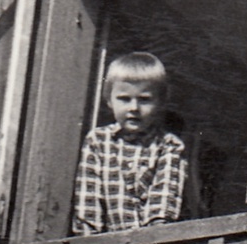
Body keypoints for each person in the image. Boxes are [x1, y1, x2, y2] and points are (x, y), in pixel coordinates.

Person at [71, 51, 189, 233]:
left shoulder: (169, 146)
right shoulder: (97, 142)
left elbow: (162, 208)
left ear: (160, 102)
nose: (134, 108)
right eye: (124, 99)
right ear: (109, 100)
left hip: (151, 242)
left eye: (144, 100)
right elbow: (88, 207)